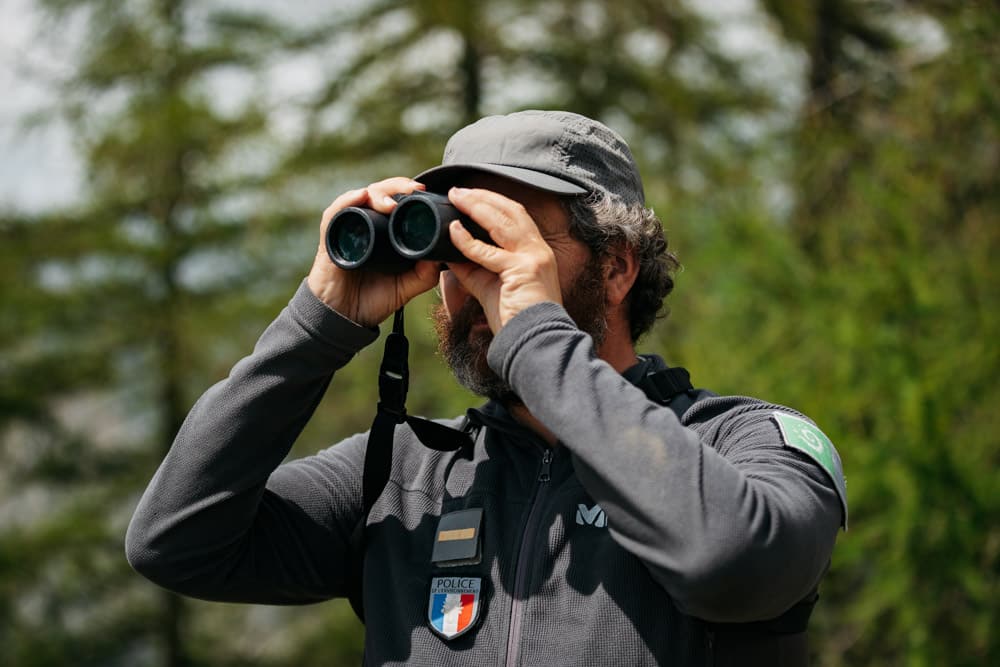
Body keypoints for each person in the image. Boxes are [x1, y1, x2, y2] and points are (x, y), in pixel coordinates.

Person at [126, 110, 847, 666]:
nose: (473, 275)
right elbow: (176, 540)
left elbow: (730, 559)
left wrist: (535, 334)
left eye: (508, 237)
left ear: (618, 268)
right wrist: (320, 322)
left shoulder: (742, 444)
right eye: (456, 238)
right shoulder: (409, 475)